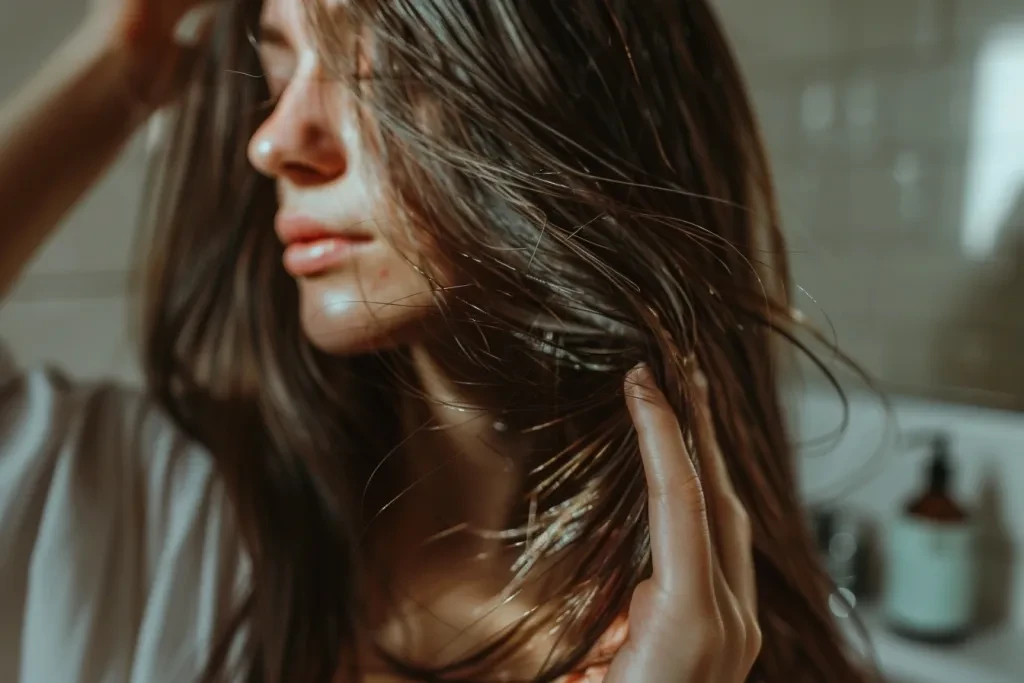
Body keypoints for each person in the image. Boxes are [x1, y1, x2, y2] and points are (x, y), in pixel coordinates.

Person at [0, 1, 868, 681]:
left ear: (573, 95)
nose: (274, 141)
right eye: (279, 66)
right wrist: (119, 61)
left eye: (374, 67)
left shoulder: (735, 657)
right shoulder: (146, 502)